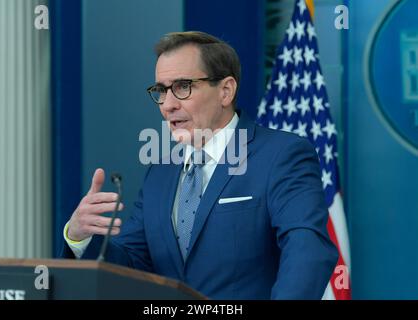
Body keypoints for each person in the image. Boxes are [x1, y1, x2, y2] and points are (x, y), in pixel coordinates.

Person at [61, 31, 338, 299]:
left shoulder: (281, 155)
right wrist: (80, 237)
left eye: (182, 87)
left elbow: (307, 252)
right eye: (161, 90)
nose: (167, 105)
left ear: (226, 91)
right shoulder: (161, 172)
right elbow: (133, 267)